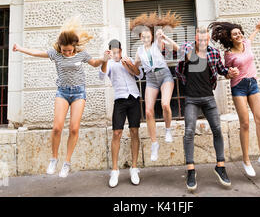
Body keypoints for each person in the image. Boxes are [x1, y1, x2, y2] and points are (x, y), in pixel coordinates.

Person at [12, 16, 107, 178]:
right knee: (57, 127)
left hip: (78, 93)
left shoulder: (81, 54)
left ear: (74, 47)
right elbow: (36, 53)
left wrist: (104, 59)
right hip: (62, 92)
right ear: (60, 47)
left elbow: (95, 63)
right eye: (64, 50)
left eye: (70, 50)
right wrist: (20, 48)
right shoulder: (55, 54)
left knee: (74, 128)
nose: (67, 53)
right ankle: (54, 159)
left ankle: (67, 163)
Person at [209, 21, 260, 177]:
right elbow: (226, 73)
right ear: (230, 38)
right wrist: (229, 72)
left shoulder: (247, 43)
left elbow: (251, 37)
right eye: (235, 34)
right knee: (245, 123)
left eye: (239, 32)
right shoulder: (229, 54)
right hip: (238, 86)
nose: (238, 35)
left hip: (253, 84)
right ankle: (246, 161)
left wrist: (257, 29)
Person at [175, 25, 237, 191]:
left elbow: (221, 70)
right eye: (199, 38)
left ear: (207, 39)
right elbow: (178, 53)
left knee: (217, 129)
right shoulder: (188, 48)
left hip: (209, 98)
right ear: (196, 38)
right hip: (191, 100)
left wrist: (230, 72)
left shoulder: (214, 53)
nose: (202, 41)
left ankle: (220, 166)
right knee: (189, 132)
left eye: (205, 39)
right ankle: (190, 170)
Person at [130, 12, 181, 162]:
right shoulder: (139, 52)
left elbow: (173, 47)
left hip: (165, 75)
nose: (145, 38)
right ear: (140, 38)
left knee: (165, 104)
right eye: (143, 36)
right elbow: (135, 68)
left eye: (148, 36)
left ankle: (168, 130)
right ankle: (154, 144)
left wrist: (162, 35)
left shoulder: (157, 45)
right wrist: (128, 64)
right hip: (151, 79)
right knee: (148, 112)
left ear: (151, 37)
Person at [99, 39, 143, 188]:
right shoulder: (109, 64)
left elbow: (140, 75)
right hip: (120, 101)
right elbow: (101, 76)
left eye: (119, 52)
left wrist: (129, 65)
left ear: (121, 51)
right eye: (114, 52)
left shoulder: (128, 59)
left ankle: (134, 168)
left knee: (134, 131)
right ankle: (115, 170)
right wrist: (105, 60)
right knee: (117, 133)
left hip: (134, 98)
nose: (117, 55)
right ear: (110, 52)